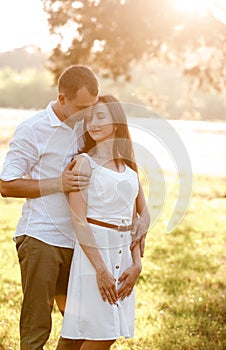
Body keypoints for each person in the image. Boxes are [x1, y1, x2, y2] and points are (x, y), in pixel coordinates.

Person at [0, 66, 149, 349]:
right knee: (37, 327)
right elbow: (6, 185)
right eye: (82, 108)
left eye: (93, 109)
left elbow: (123, 175)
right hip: (43, 239)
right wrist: (59, 182)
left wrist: (146, 216)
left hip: (83, 246)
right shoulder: (33, 130)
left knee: (81, 325)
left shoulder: (90, 126)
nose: (88, 115)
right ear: (62, 98)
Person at [56, 95, 150, 350]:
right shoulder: (84, 163)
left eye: (100, 116)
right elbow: (79, 221)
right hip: (94, 255)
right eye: (89, 118)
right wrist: (100, 269)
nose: (93, 123)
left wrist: (138, 264)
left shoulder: (129, 169)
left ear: (116, 122)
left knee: (98, 331)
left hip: (125, 260)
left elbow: (135, 223)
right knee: (102, 333)